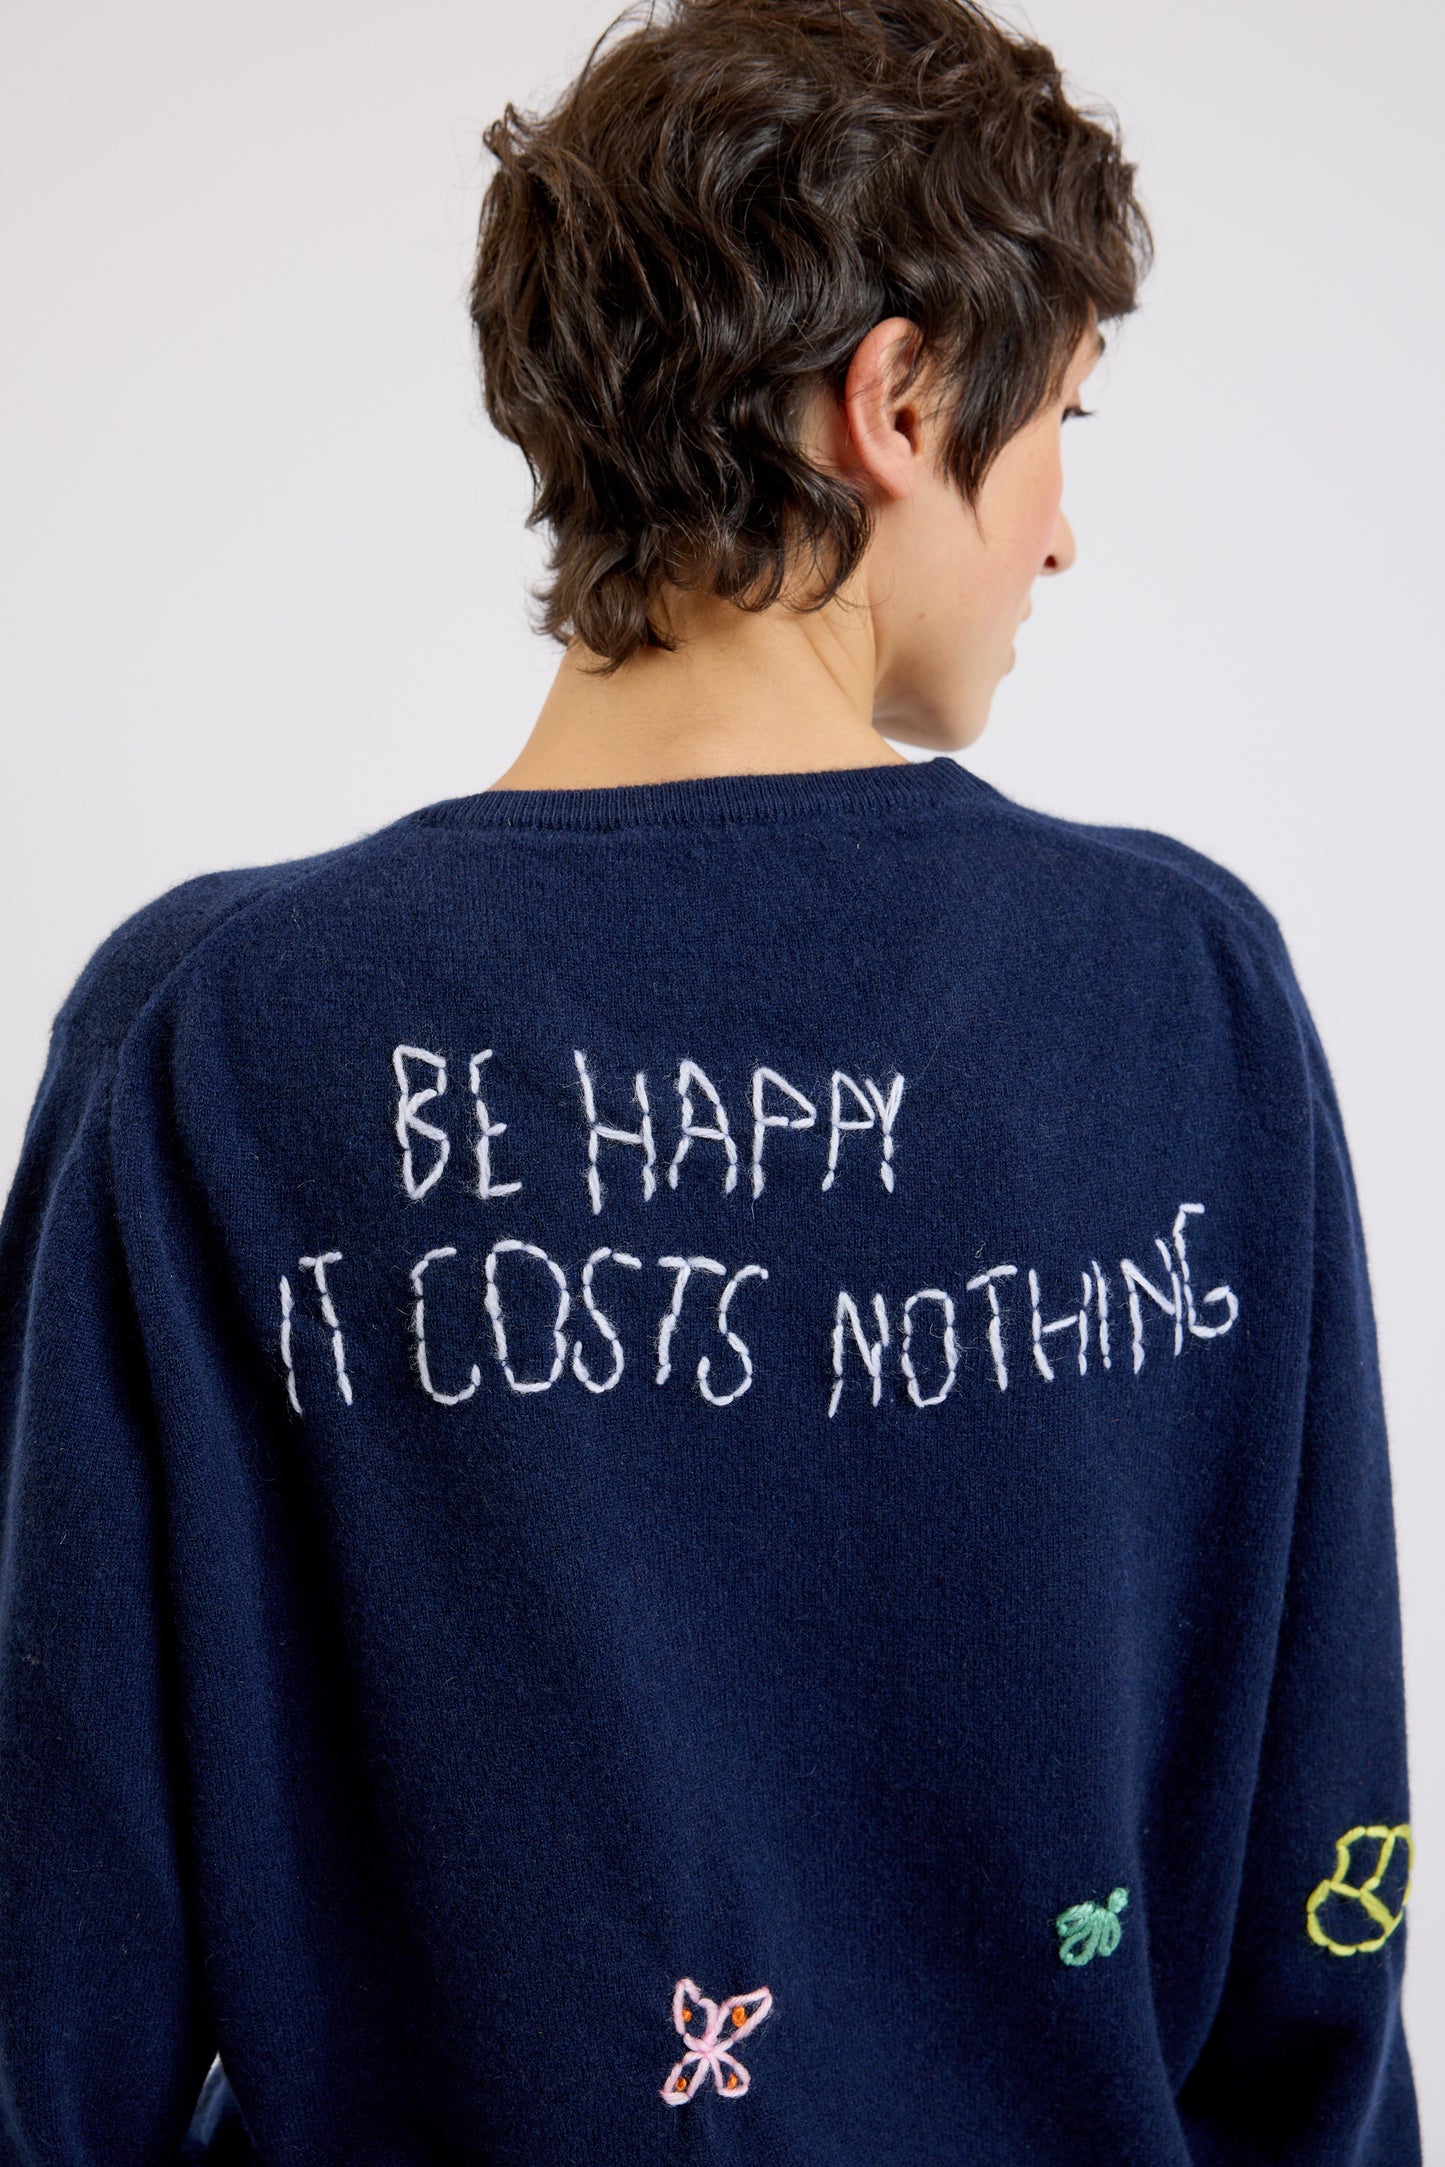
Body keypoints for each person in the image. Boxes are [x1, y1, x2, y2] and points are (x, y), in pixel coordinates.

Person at [0, 0, 1417, 2158]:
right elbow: (1323, 1931)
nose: (1060, 535)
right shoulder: (1188, 999)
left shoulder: (212, 1039)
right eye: (1061, 421)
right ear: (901, 400)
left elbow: (56, 1956)